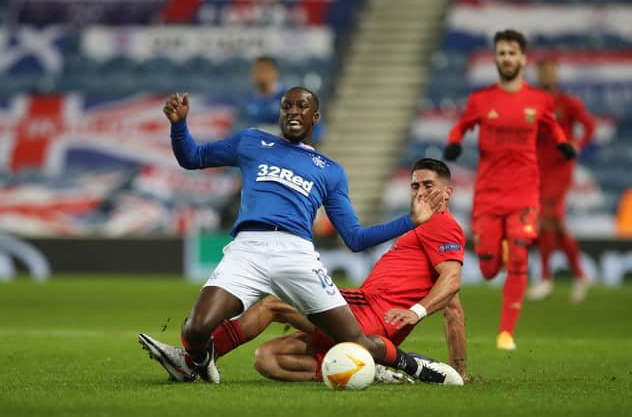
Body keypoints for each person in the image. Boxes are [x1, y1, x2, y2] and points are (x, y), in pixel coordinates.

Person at [154, 86, 446, 384]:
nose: (293, 111)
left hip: (297, 255)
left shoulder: (330, 171)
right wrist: (179, 125)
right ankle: (201, 363)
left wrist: (411, 220)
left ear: (315, 117)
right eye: (287, 106)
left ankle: (415, 366)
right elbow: (191, 157)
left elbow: (355, 239)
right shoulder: (252, 141)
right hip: (247, 250)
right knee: (196, 328)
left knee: (356, 339)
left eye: (302, 106)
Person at [139, 158, 466, 385]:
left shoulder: (442, 225)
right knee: (266, 359)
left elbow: (452, 281)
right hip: (362, 313)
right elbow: (454, 308)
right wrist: (460, 370)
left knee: (272, 304)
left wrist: (417, 311)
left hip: (371, 315)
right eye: (414, 186)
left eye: (428, 186)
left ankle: (194, 360)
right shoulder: (420, 230)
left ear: (447, 192)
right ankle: (370, 366)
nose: (420, 193)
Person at [443, 29, 576, 351]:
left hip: (525, 192)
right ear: (496, 59)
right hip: (488, 194)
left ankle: (506, 333)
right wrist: (455, 142)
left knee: (519, 256)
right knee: (488, 270)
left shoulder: (539, 100)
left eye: (512, 53)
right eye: (501, 53)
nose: (507, 58)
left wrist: (562, 143)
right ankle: (497, 253)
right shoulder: (481, 100)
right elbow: (461, 125)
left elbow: (553, 125)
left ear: (523, 58)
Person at [527, 59, 595, 303]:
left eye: (550, 72)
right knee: (552, 221)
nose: (546, 76)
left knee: (547, 217)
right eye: (542, 72)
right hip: (538, 169)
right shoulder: (531, 105)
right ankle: (579, 274)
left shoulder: (567, 103)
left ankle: (545, 277)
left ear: (555, 75)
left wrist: (577, 144)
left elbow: (589, 126)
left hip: (560, 168)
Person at [245, 56, 325, 145]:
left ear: (274, 72)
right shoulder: (249, 100)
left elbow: (314, 127)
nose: (259, 75)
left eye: (263, 71)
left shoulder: (292, 96)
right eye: (256, 71)